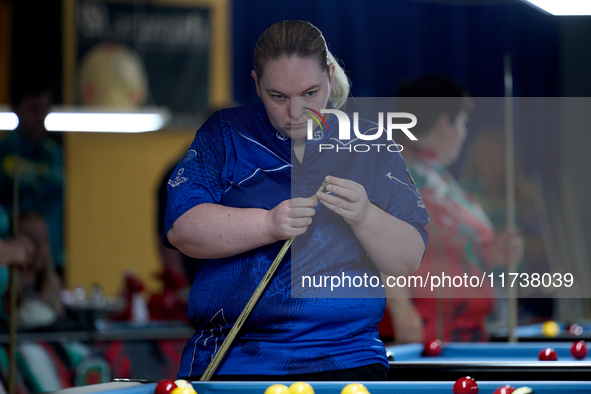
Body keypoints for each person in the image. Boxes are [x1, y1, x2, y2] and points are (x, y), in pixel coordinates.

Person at [163, 20, 429, 380]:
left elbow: (408, 259)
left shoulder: (371, 143)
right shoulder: (225, 133)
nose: (295, 112)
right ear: (256, 83)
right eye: (279, 97)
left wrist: (366, 216)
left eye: (310, 93)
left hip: (348, 358)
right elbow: (182, 229)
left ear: (330, 78)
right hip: (233, 361)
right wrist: (267, 224)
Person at [378, 75, 524, 343]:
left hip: (464, 335)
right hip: (425, 339)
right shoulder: (396, 174)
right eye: (462, 122)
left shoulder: (442, 182)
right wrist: (401, 309)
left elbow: (455, 252)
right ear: (444, 123)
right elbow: (380, 246)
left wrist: (494, 252)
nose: (464, 132)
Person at [461, 129, 553, 324]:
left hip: (518, 292)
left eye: (500, 157)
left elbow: (541, 246)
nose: (494, 163)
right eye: (488, 156)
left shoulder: (522, 199)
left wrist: (518, 242)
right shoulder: (462, 197)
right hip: (479, 289)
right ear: (477, 159)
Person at [0, 80, 64, 277]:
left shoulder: (55, 156)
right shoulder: (4, 154)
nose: (41, 117)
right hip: (13, 263)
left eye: (45, 109)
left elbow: (59, 213)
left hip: (51, 265)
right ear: (16, 108)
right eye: (34, 109)